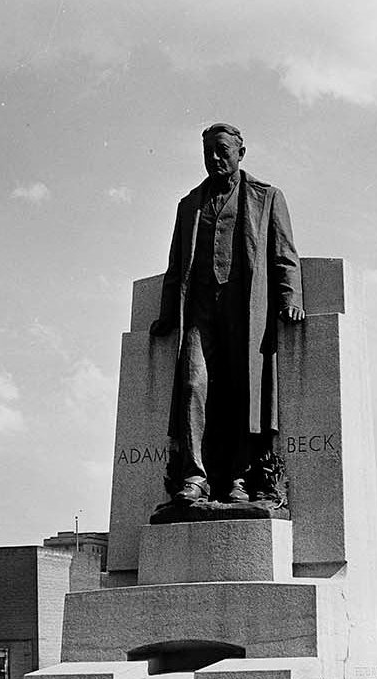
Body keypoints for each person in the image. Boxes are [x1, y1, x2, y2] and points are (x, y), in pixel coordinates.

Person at [149, 123, 304, 511]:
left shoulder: (266, 197)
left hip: (246, 310)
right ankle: (195, 477)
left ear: (241, 153)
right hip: (200, 312)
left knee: (241, 390)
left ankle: (238, 478)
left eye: (222, 151)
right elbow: (176, 263)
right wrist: (168, 312)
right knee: (192, 385)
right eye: (208, 153)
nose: (215, 159)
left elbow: (284, 253)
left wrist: (290, 296)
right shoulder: (189, 205)